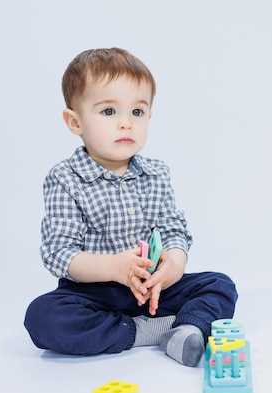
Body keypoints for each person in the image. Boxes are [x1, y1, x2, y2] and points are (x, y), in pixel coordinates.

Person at [24, 47, 238, 367]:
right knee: (43, 317)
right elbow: (59, 254)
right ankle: (143, 331)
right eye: (109, 112)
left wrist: (173, 265)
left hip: (154, 287)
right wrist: (115, 268)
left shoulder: (157, 173)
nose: (126, 124)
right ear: (74, 121)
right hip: (96, 294)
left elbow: (173, 228)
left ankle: (186, 329)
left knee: (220, 285)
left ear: (149, 117)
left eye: (137, 112)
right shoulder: (65, 179)